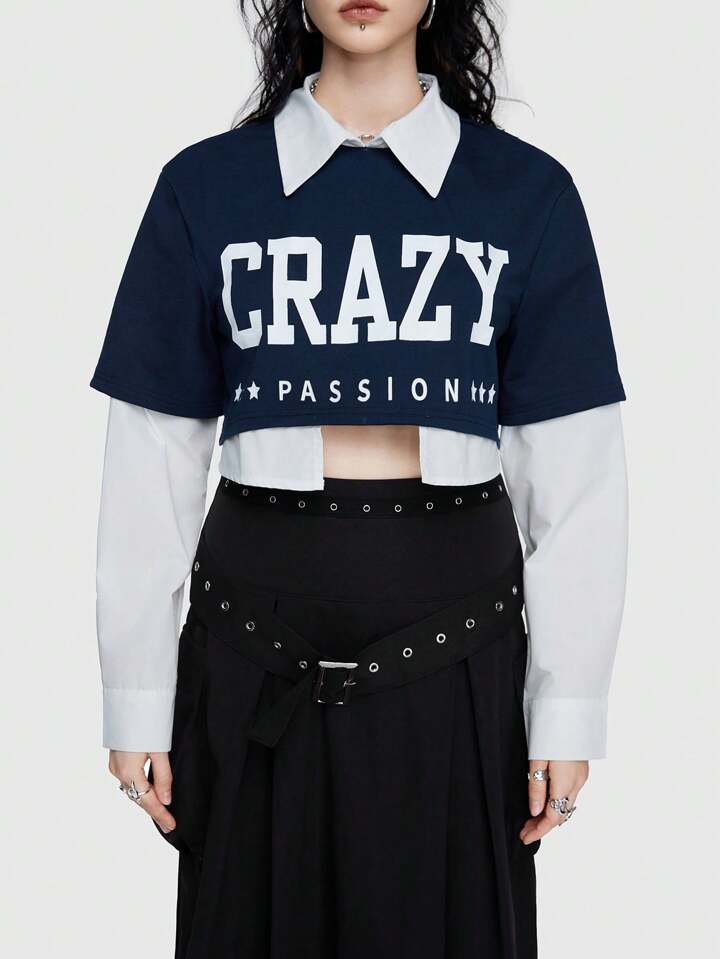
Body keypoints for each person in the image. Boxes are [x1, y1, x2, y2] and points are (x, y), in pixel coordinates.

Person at [90, 1, 628, 955]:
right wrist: (136, 693)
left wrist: (568, 707)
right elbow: (151, 460)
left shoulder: (526, 194)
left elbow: (578, 479)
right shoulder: (205, 188)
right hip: (251, 651)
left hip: (459, 656)